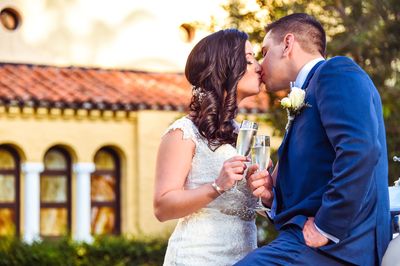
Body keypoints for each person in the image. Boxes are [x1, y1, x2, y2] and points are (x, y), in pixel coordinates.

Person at [236, 13, 391, 265]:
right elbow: (316, 177)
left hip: (338, 246)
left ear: (288, 44)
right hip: (303, 241)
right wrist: (272, 196)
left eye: (265, 52)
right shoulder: (307, 91)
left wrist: (326, 227)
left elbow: (359, 150)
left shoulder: (335, 71)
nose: (261, 65)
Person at [153, 29, 263, 266]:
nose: (258, 67)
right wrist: (217, 186)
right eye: (249, 59)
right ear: (225, 68)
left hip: (246, 257)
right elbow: (162, 207)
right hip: (198, 257)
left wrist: (264, 189)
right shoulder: (183, 133)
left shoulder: (243, 133)